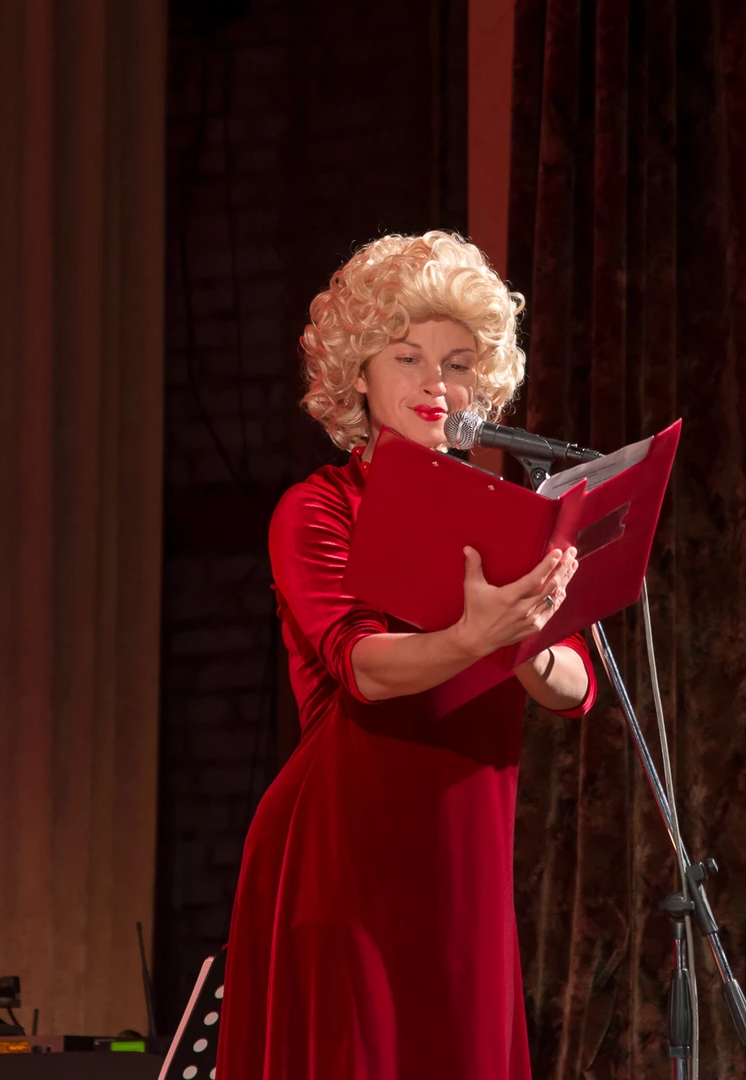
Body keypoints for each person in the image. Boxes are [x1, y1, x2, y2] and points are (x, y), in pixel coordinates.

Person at [216, 231, 596, 1079]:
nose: (435, 385)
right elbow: (360, 666)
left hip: (466, 858)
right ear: (359, 371)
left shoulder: (507, 514)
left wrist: (522, 637)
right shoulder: (319, 507)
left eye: (457, 364)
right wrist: (473, 638)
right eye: (407, 358)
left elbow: (573, 688)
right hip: (347, 853)